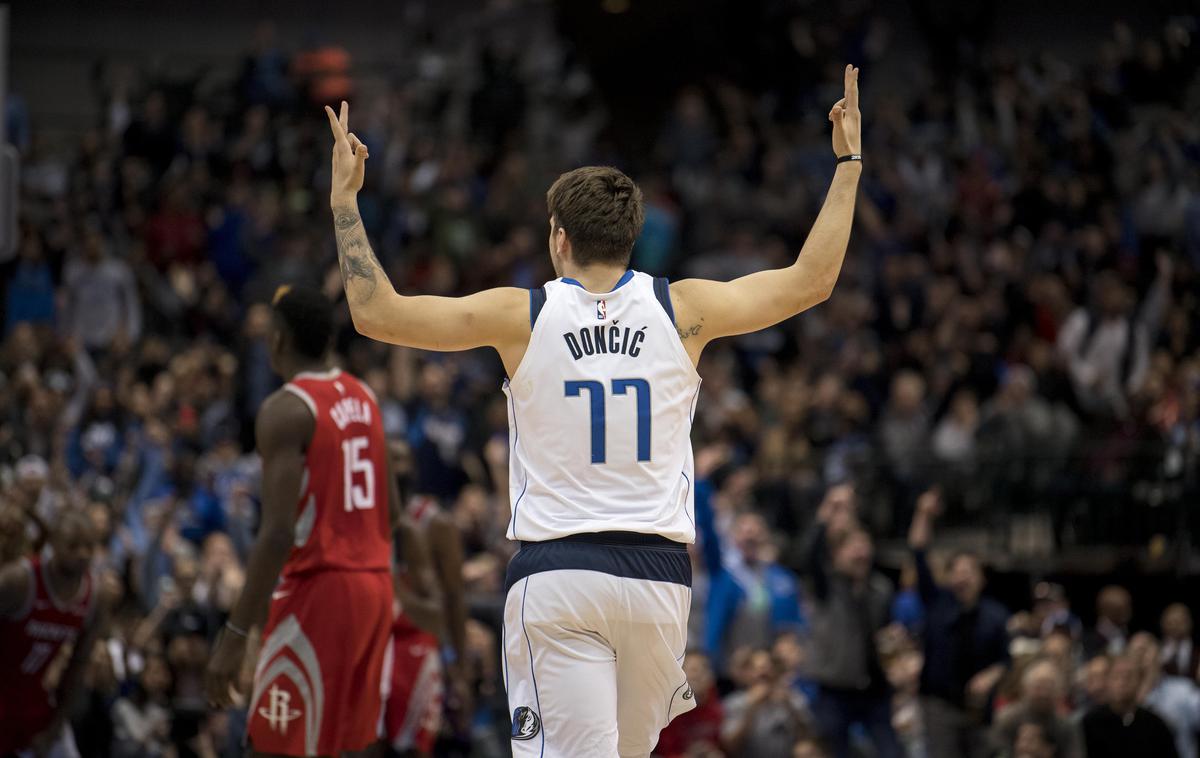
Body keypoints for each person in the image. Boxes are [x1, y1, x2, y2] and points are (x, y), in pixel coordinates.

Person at [322, 62, 864, 757]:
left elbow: (375, 313)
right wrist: (847, 163)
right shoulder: (684, 308)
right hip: (660, 582)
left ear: (558, 237)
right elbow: (810, 283)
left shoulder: (522, 315)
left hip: (561, 575)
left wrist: (344, 200)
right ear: (632, 237)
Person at [204, 285, 401, 757]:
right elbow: (391, 509)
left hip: (322, 591)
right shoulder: (365, 396)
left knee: (275, 745)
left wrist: (235, 636)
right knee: (340, 746)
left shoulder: (285, 410)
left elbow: (275, 534)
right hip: (375, 587)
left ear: (278, 340)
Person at [908, 492, 1010, 758]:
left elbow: (1006, 660)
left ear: (981, 578)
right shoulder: (936, 602)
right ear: (949, 576)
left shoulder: (996, 615)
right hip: (939, 704)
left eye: (970, 571)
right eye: (957, 570)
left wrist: (990, 676)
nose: (963, 576)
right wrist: (923, 513)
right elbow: (918, 552)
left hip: (978, 709)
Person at [800, 498, 900, 758]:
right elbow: (810, 554)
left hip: (874, 689)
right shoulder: (825, 586)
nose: (860, 552)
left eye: (864, 545)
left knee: (890, 751)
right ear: (836, 555)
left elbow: (887, 634)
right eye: (851, 547)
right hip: (834, 690)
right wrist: (824, 517)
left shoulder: (881, 589)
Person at [0, 509, 104, 756]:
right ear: (54, 544)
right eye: (74, 546)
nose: (83, 555)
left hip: (35, 705)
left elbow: (78, 666)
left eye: (90, 547)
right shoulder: (19, 580)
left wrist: (55, 729)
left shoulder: (94, 597)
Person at [1081, 654, 1178, 758]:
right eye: (1116, 676)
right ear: (1107, 681)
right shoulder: (1091, 723)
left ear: (1139, 681)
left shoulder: (1156, 725)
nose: (1122, 682)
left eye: (1128, 676)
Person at [989, 658, 1082, 758]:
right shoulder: (1007, 718)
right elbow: (996, 753)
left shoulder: (1066, 725)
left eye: (1049, 687)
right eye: (1038, 687)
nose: (1043, 693)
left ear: (1059, 691)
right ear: (1026, 688)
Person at [1082, 586, 1132, 658]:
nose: (1128, 613)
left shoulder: (1126, 634)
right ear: (1107, 610)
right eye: (1121, 609)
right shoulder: (1090, 639)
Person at [1160, 604, 1199, 680]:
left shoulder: (1197, 653)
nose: (1175, 626)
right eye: (1170, 622)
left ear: (1189, 623)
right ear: (1162, 623)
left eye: (1179, 622)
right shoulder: (1156, 649)